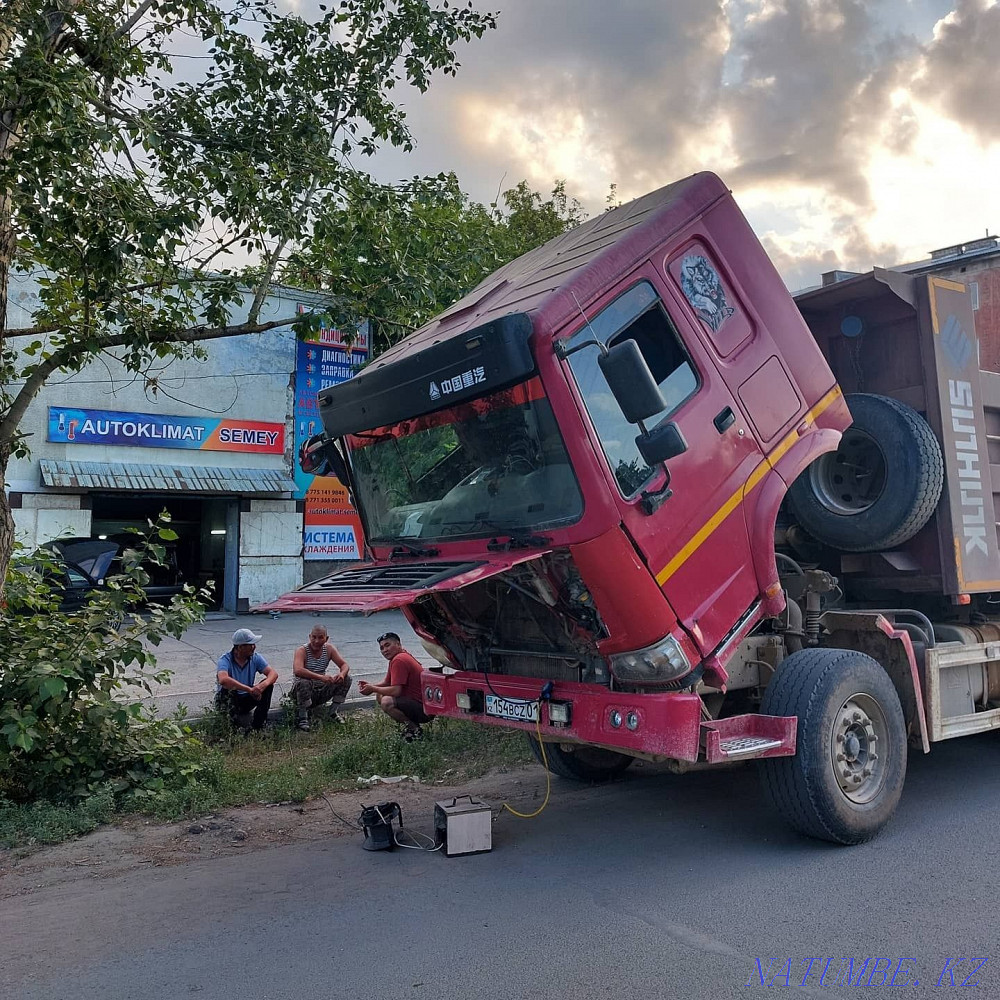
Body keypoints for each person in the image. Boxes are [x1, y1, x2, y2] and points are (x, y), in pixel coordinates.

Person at [359, 631, 431, 742]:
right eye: (382, 648)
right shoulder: (398, 656)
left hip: (423, 709)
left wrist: (372, 689)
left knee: (386, 702)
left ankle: (414, 729)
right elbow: (387, 682)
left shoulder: (399, 660)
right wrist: (370, 686)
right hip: (420, 704)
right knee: (380, 694)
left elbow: (396, 691)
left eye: (387, 645)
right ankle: (411, 725)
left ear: (398, 644)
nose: (385, 650)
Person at [290, 624, 353, 731]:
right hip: (302, 693)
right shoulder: (301, 650)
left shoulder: (329, 649)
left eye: (320, 637)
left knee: (347, 678)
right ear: (309, 637)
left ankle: (332, 712)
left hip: (320, 690)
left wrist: (341, 674)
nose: (316, 641)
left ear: (326, 639)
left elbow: (344, 665)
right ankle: (302, 717)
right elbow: (298, 670)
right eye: (314, 637)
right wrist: (321, 677)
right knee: (304, 682)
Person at [215, 628, 278, 734]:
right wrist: (248, 689)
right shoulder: (225, 660)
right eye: (251, 645)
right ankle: (232, 728)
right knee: (227, 689)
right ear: (240, 647)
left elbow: (273, 674)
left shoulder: (255, 658)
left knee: (268, 686)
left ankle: (258, 726)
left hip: (246, 699)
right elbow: (223, 680)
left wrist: (261, 686)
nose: (254, 647)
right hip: (229, 701)